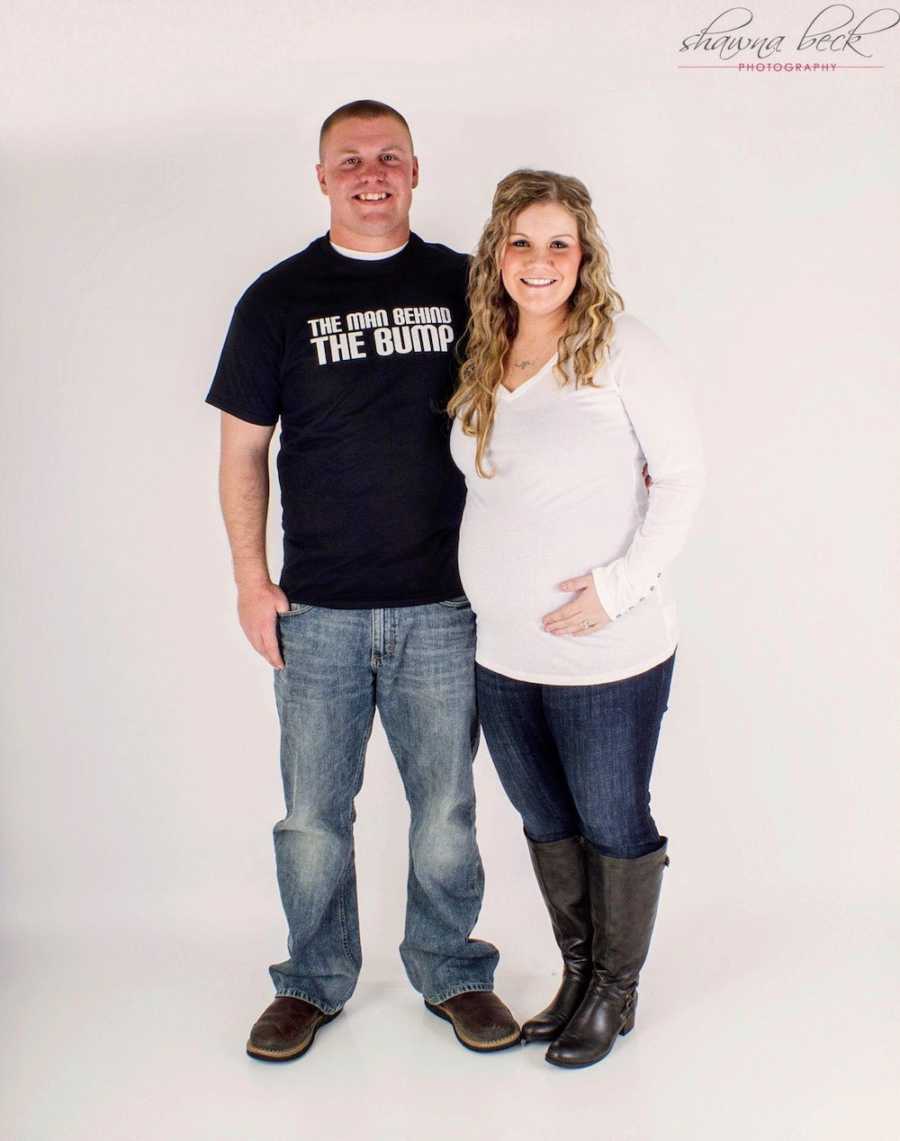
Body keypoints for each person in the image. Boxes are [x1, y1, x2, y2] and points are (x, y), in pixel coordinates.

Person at [206, 100, 518, 1062]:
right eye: (350, 159)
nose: (370, 172)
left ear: (417, 170)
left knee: (447, 808)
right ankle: (312, 980)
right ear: (323, 177)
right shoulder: (277, 297)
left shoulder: (468, 282)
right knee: (311, 815)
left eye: (388, 156)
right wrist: (252, 581)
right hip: (319, 610)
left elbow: (534, 408)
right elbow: (242, 452)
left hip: (444, 603)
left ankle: (452, 969)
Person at [448, 169, 705, 1068]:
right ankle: (579, 973)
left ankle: (616, 995)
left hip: (608, 651)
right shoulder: (487, 351)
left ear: (584, 254)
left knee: (610, 818)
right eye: (522, 241)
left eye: (559, 242)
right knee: (545, 817)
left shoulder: (623, 347)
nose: (540, 260)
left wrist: (618, 584)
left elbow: (680, 481)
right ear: (498, 254)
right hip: (503, 650)